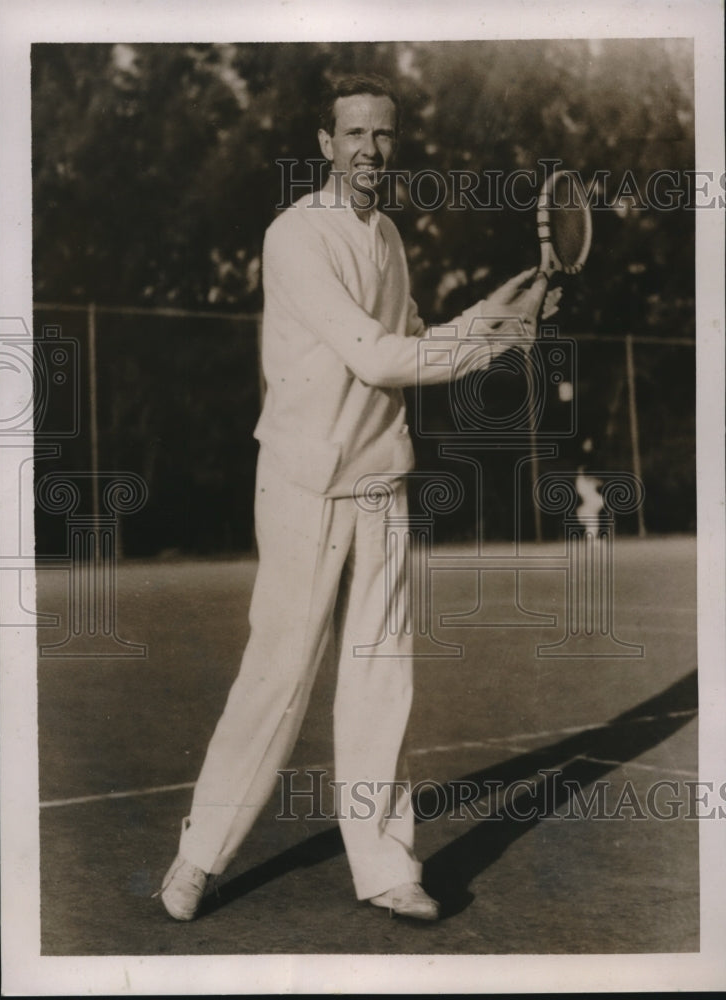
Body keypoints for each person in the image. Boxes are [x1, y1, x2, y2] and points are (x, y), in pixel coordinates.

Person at [158, 73, 557, 923]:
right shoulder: (295, 236)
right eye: (355, 136)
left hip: (381, 481)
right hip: (304, 481)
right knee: (277, 675)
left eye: (383, 136)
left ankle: (383, 866)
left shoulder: (391, 240)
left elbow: (413, 340)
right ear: (326, 145)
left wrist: (496, 316)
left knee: (382, 678)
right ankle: (199, 857)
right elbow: (376, 358)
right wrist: (487, 348)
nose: (371, 151)